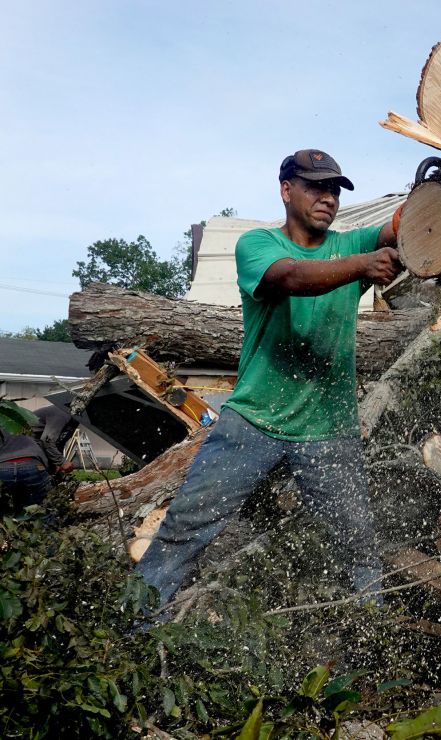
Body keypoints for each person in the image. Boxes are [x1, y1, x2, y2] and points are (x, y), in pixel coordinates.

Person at [137, 149, 403, 606]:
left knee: (359, 549)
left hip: (329, 427)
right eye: (316, 186)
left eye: (334, 189)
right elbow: (292, 277)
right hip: (254, 420)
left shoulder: (350, 243)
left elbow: (402, 225)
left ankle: (372, 632)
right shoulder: (258, 245)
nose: (328, 198)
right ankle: (132, 627)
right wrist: (363, 266)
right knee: (185, 527)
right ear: (286, 190)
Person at [0, 405, 79, 511]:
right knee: (44, 509)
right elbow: (47, 440)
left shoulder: (71, 420)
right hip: (32, 458)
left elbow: (58, 442)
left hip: (8, 463)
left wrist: (56, 464)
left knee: (13, 508)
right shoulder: (62, 413)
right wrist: (61, 462)